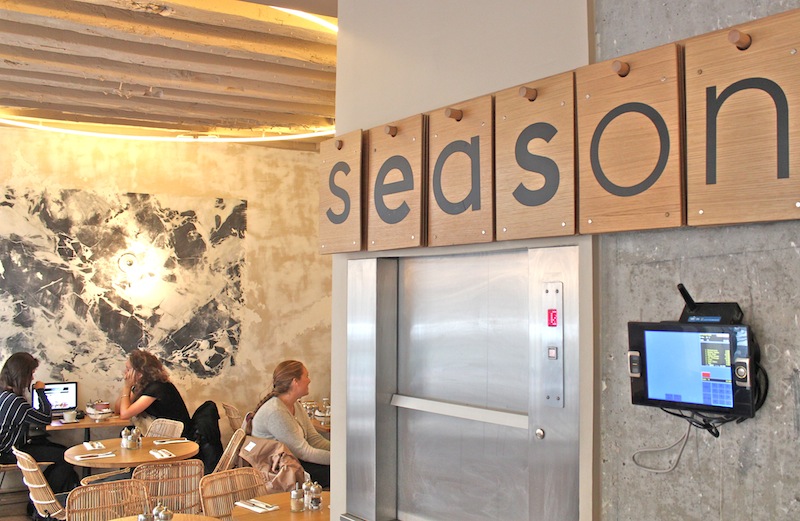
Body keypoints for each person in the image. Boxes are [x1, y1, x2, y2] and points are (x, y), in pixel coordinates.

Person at [0, 352, 79, 497]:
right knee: (66, 457)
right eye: (31, 374)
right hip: (9, 453)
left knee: (62, 452)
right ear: (22, 375)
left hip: (8, 448)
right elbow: (45, 418)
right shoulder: (15, 402)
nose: (32, 378)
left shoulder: (4, 394)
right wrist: (41, 392)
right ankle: (45, 500)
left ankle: (44, 498)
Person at [251, 360, 330, 487]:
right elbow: (303, 452)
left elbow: (314, 439)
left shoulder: (295, 405)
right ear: (295, 382)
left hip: (293, 462)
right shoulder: (276, 411)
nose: (309, 380)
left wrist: (343, 450)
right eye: (306, 376)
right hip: (278, 472)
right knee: (340, 472)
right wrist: (343, 459)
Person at [115, 349, 191, 437]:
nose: (125, 372)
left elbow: (125, 414)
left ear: (139, 373)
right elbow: (118, 409)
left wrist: (127, 387)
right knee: (127, 432)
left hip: (174, 434)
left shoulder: (157, 387)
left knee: (128, 435)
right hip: (160, 430)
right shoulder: (142, 385)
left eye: (128, 369)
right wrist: (127, 387)